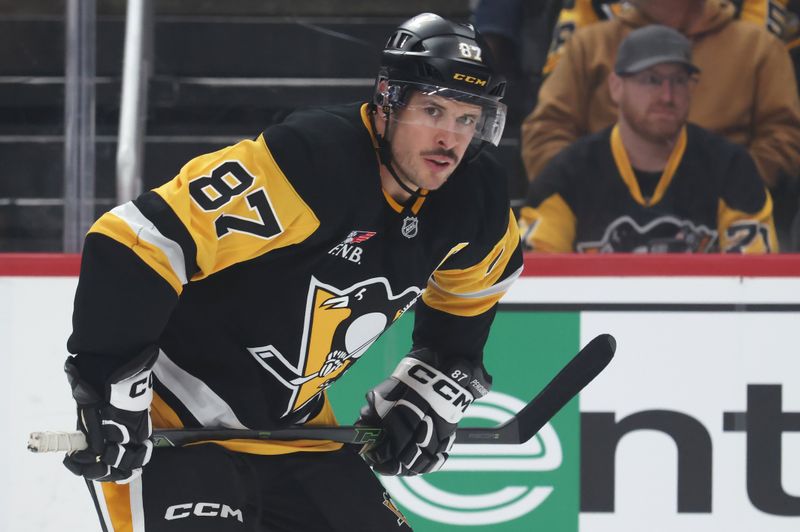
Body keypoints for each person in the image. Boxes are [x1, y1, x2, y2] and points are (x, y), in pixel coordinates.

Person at [60, 12, 523, 531]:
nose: (450, 139)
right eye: (434, 110)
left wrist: (429, 385)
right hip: (175, 423)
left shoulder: (474, 196)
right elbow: (135, 242)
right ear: (389, 100)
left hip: (299, 432)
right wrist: (107, 390)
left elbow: (473, 292)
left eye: (466, 119)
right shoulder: (311, 160)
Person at [518, 25, 778, 253]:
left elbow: (753, 280)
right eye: (651, 80)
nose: (667, 95)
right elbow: (536, 278)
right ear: (616, 87)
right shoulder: (567, 175)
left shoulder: (731, 168)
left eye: (678, 80)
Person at [521, 0, 800, 204]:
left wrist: (732, 187)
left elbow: (785, 136)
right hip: (595, 224)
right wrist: (592, 193)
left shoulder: (758, 47)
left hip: (725, 217)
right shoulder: (589, 43)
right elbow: (545, 131)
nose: (667, 94)